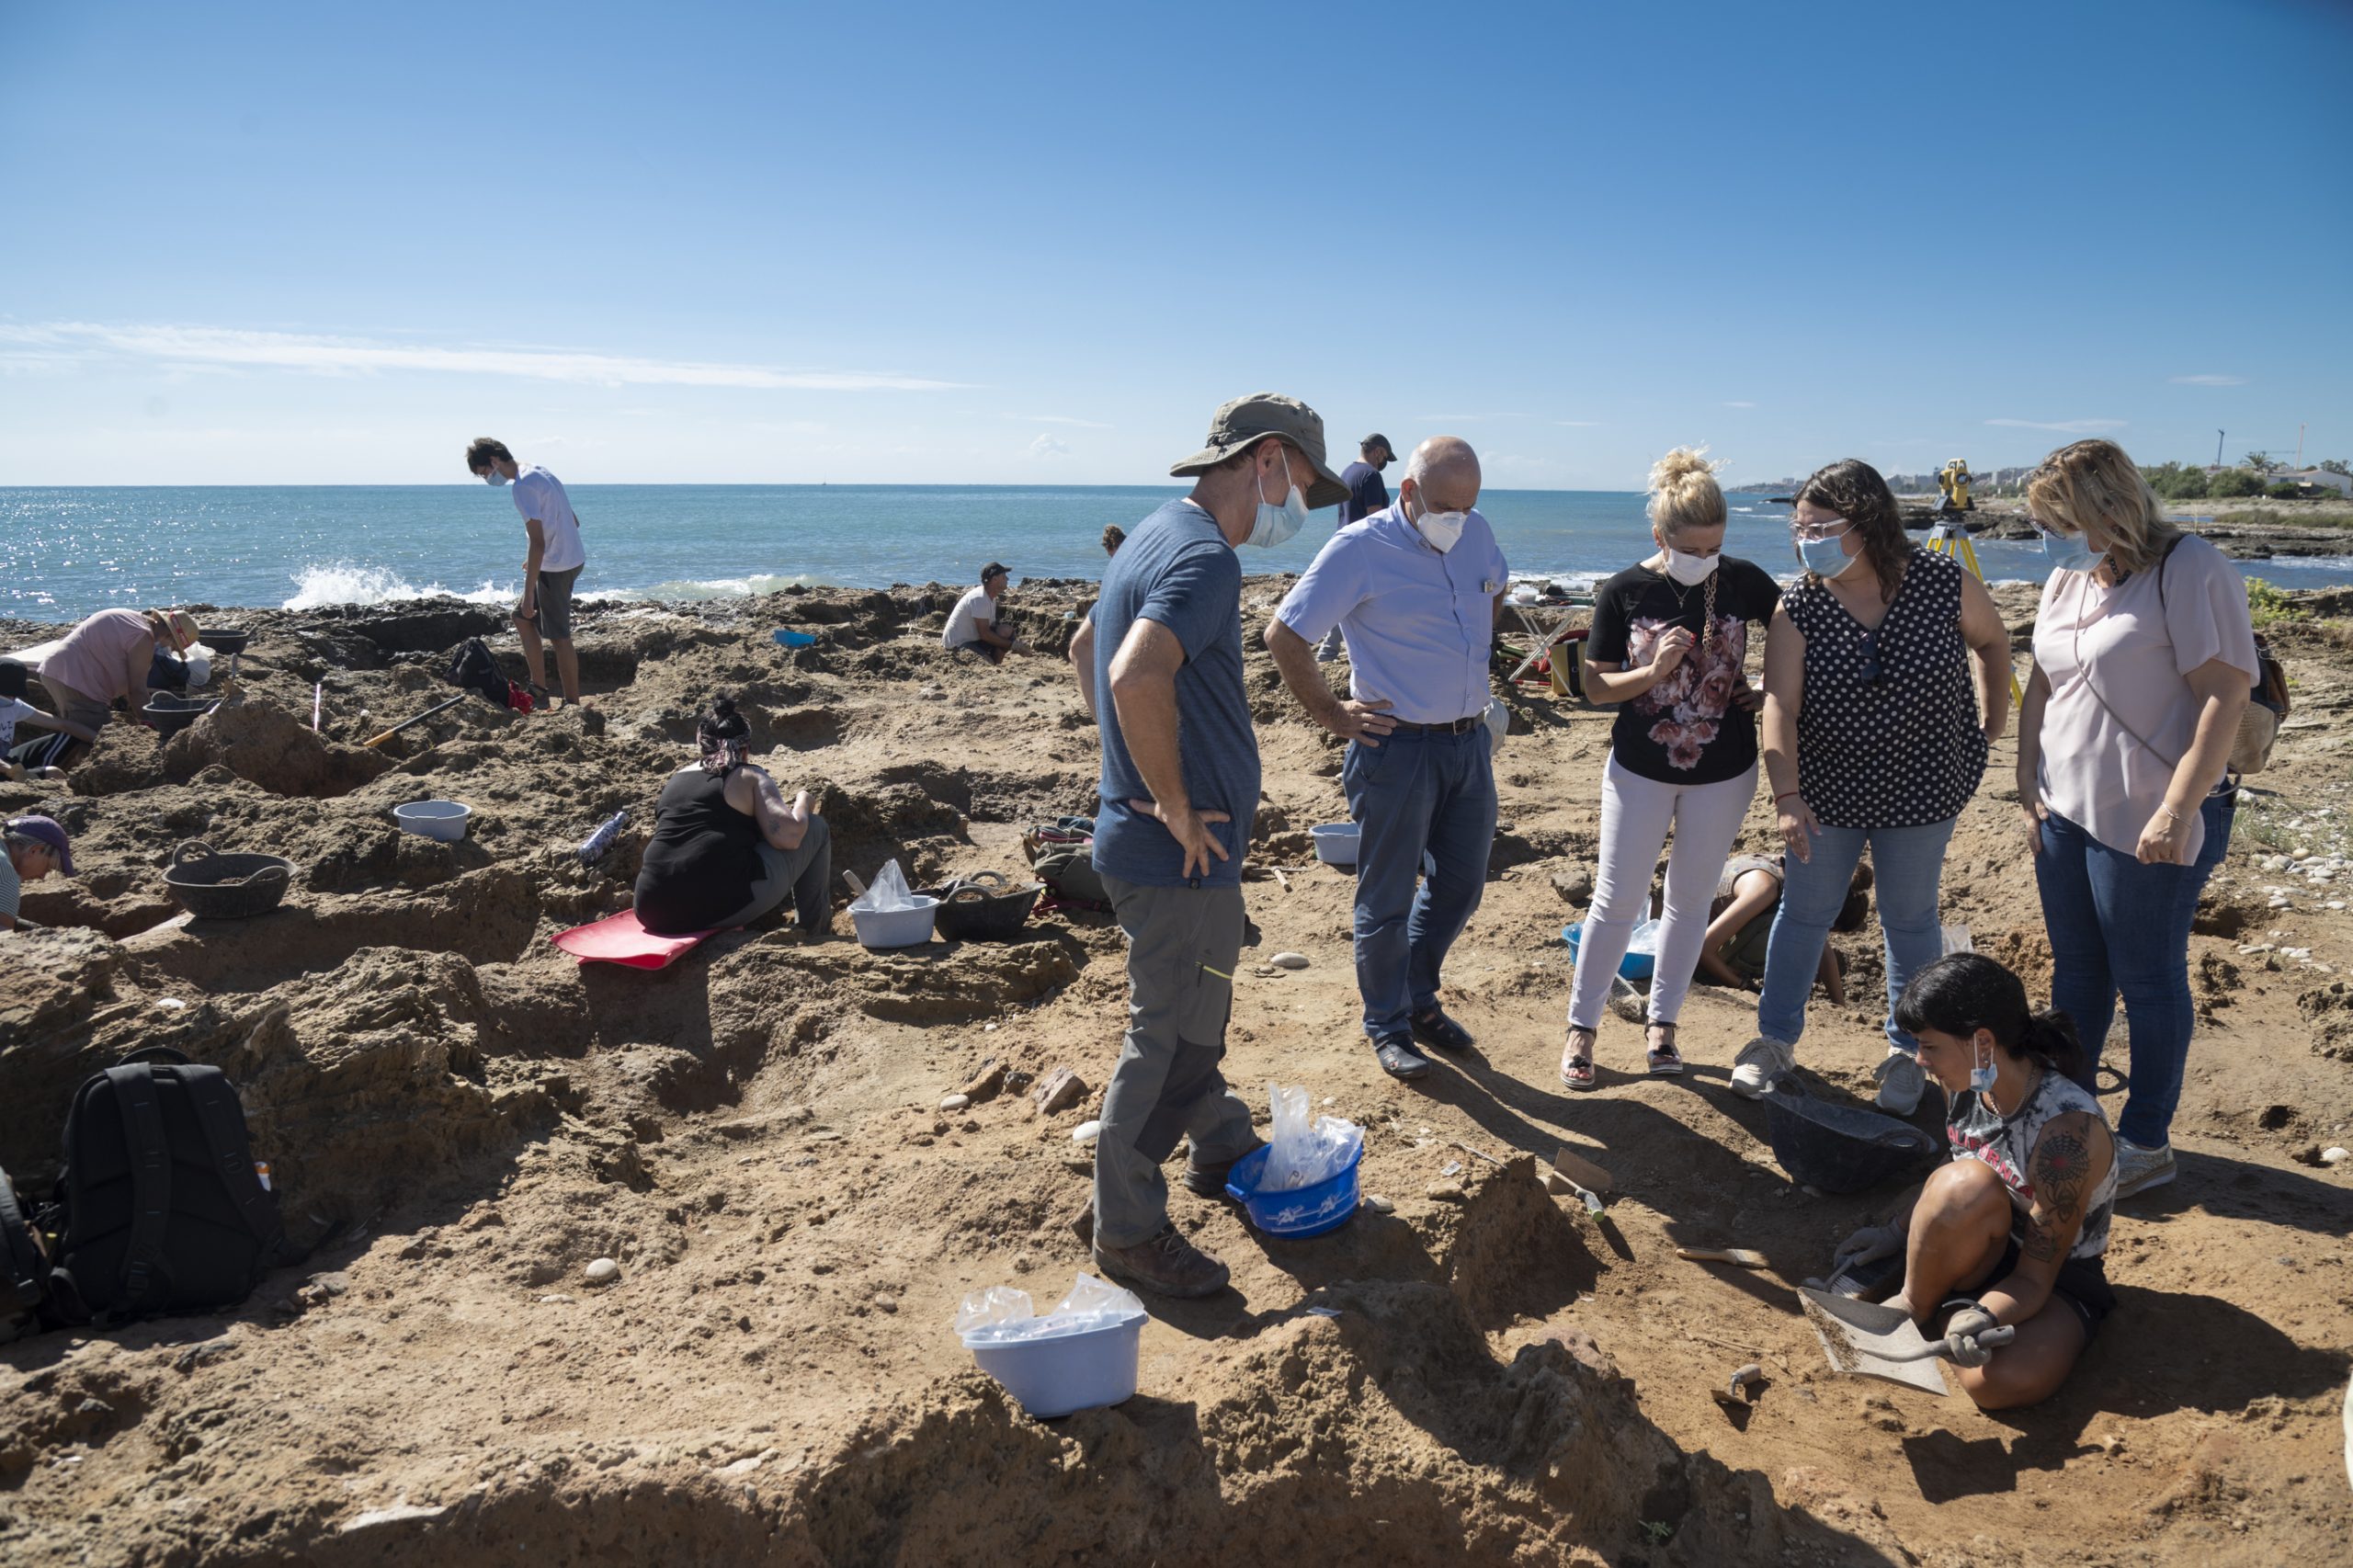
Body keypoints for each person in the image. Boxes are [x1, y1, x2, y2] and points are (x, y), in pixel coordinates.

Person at [1086, 392, 1347, 1297]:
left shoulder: (1159, 532)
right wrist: (1172, 801)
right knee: (1166, 1035)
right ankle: (1126, 1229)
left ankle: (1222, 1141)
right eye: (1303, 486)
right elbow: (1131, 672)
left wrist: (1138, 775)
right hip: (1177, 859)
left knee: (1197, 1009)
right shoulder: (1203, 559)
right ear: (1266, 460)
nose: (1300, 512)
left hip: (1157, 849)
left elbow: (1090, 640)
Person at [2016, 438, 2257, 1198]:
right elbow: (2042, 683)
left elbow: (2225, 692)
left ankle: (2146, 1140)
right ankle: (2072, 1122)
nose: (2045, 537)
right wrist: (2027, 778)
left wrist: (2178, 809)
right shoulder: (2069, 577)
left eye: (2056, 519)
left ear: (2106, 512)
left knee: (2148, 978)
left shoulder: (2190, 568)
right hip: (2066, 810)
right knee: (2078, 972)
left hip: (2154, 817)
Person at [1733, 459, 2012, 1110]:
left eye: (1821, 526)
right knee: (1804, 914)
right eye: (1799, 528)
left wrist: (1993, 721)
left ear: (1866, 522)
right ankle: (1773, 1042)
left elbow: (1994, 644)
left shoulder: (1945, 584)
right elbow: (1780, 706)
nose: (1807, 541)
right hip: (1827, 791)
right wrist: (1786, 796)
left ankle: (1907, 1052)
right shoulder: (1799, 603)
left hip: (1925, 786)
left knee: (1910, 919)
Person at [1267, 436, 1506, 1081]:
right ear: (1407, 492)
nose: (1458, 517)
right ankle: (1387, 1022)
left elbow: (1493, 593)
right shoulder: (1359, 549)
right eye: (1444, 505)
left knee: (1462, 883)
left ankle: (1416, 994)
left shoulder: (1477, 533)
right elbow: (1285, 635)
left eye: (1468, 504)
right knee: (1388, 897)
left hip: (1468, 740)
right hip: (1395, 747)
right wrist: (1333, 714)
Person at [1558, 449, 1782, 1089]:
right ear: (1659, 536)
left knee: (1688, 902)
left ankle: (1663, 1025)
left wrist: (1764, 686)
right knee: (1618, 899)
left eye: (1714, 547)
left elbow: (1799, 637)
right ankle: (1583, 1026)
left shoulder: (1742, 581)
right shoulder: (1627, 590)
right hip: (1641, 766)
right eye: (1691, 548)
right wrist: (1653, 672)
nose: (1705, 558)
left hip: (1726, 768)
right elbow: (1596, 688)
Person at [1826, 953, 2117, 1411]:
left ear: (1982, 1042)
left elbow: (2035, 1280)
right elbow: (1961, 1160)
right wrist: (1897, 1231)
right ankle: (1915, 1304)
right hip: (1983, 1240)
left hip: (2053, 1272)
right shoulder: (1967, 1081)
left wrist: (1983, 1313)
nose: (1919, 1060)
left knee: (1999, 1383)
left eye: (1929, 1046)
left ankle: (1952, 1305)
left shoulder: (2066, 1137)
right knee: (1962, 1182)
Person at [632, 698, 831, 937]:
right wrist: (803, 801)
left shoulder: (676, 780)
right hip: (714, 909)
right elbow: (789, 837)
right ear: (745, 748)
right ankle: (815, 932)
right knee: (816, 828)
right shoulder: (748, 775)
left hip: (650, 909)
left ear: (701, 745)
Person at [466, 437, 586, 709]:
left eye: (484, 473)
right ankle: (540, 686)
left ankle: (572, 703)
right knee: (521, 618)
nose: (486, 479)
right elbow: (573, 520)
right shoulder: (540, 471)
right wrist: (534, 560)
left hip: (557, 566)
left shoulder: (522, 487)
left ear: (494, 461)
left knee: (559, 636)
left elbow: (538, 542)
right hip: (569, 558)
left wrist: (528, 594)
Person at [28, 608, 200, 751]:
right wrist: (153, 725)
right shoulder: (143, 638)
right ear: (169, 636)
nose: (168, 648)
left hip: (60, 670)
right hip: (77, 682)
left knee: (81, 731)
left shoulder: (128, 616)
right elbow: (137, 690)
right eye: (173, 646)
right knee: (99, 741)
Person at [1697, 855, 1868, 999]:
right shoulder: (1764, 888)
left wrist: (1840, 1005)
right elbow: (1704, 948)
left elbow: (1824, 950)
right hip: (1691, 962)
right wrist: (1744, 986)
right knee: (1793, 932)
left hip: (1707, 950)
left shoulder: (1797, 875)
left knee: (1803, 931)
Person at [1318, 434, 1399, 661]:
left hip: (1342, 543)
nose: (1383, 463)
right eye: (1384, 457)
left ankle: (1327, 654)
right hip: (1366, 550)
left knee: (1348, 601)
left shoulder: (1347, 473)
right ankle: (1329, 654)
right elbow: (1375, 518)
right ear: (1378, 452)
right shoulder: (1371, 476)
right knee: (1368, 601)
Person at [942, 563, 1034, 665]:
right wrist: (1013, 645)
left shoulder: (990, 597)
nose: (1007, 579)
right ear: (995, 580)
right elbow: (984, 634)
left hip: (974, 639)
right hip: (958, 644)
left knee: (1006, 631)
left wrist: (1014, 643)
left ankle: (996, 664)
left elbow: (991, 627)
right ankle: (991, 664)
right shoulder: (979, 598)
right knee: (987, 662)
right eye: (1004, 577)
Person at [0, 663, 74, 781]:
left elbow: (62, 725)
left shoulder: (13, 705)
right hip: (4, 767)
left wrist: (97, 738)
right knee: (52, 773)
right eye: (6, 694)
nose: (11, 699)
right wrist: (13, 772)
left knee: (68, 737)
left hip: (5, 758)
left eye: (13, 695)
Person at [1, 815, 74, 932]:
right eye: (48, 868)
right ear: (35, 850)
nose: (42, 876)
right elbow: (4, 938)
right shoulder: (8, 877)